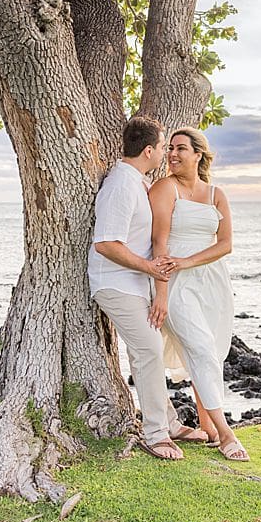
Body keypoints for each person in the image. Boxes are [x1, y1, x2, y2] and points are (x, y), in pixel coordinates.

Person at [88, 116, 212, 460]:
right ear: (148, 150)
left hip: (134, 284)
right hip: (115, 284)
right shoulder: (121, 186)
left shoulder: (138, 182)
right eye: (162, 146)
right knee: (149, 351)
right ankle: (156, 434)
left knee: (146, 352)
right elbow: (106, 244)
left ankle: (169, 423)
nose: (165, 153)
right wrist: (150, 268)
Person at [148, 127, 249, 461]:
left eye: (180, 148)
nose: (172, 154)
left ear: (198, 154)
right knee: (203, 348)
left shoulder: (216, 194)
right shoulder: (166, 188)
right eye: (170, 148)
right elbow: (159, 244)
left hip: (213, 282)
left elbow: (226, 244)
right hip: (176, 282)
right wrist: (161, 294)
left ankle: (207, 427)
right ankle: (226, 434)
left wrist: (189, 261)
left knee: (210, 353)